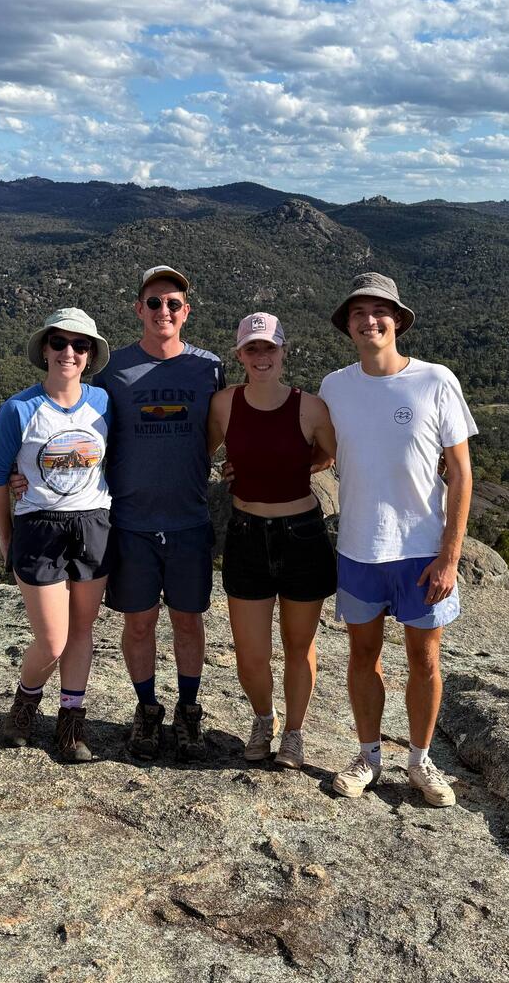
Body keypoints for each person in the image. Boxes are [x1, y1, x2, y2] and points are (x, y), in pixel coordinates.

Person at [11, 266, 224, 761]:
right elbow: (80, 431)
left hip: (189, 520)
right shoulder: (113, 376)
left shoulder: (209, 368)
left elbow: (217, 427)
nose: (163, 311)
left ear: (186, 311)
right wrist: (25, 476)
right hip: (130, 523)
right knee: (139, 624)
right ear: (139, 309)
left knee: (189, 623)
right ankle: (147, 709)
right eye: (154, 303)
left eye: (173, 303)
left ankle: (188, 711)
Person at [320, 273, 476, 808]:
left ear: (398, 320)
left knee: (424, 659)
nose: (369, 321)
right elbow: (321, 454)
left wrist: (449, 556)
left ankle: (420, 759)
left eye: (379, 311)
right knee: (362, 655)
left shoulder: (435, 381)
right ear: (347, 326)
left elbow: (460, 472)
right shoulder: (334, 387)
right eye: (358, 313)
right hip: (359, 546)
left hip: (420, 549)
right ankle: (368, 756)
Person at [208, 312, 337, 770]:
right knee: (251, 652)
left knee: (299, 645)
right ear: (240, 355)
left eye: (270, 348)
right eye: (252, 349)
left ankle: (295, 732)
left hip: (302, 534)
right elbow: (202, 451)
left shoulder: (311, 407)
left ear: (284, 352)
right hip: (246, 534)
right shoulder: (224, 405)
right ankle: (264, 717)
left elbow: (327, 454)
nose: (261, 357)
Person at [0, 307, 112, 763]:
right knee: (53, 640)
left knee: (82, 630)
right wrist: (6, 538)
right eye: (59, 343)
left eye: (80, 346)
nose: (69, 352)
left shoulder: (103, 403)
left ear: (91, 356)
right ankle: (25, 701)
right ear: (44, 349)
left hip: (93, 523)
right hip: (39, 529)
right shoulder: (19, 409)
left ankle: (70, 724)